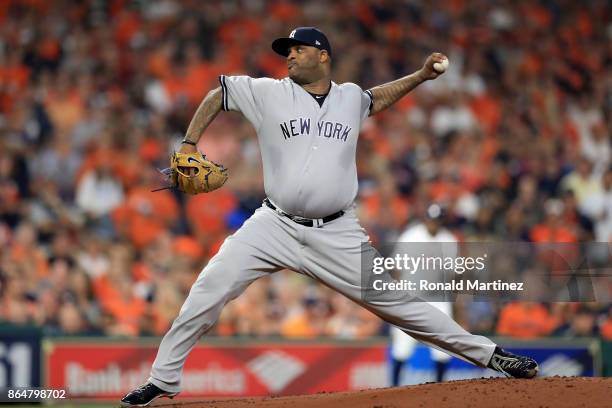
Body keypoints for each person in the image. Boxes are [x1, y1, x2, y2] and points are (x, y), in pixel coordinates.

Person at [121, 27, 538, 406]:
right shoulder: (269, 92)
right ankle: (163, 378)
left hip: (336, 232)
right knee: (209, 288)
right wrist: (190, 141)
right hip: (274, 225)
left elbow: (377, 98)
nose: (289, 57)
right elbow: (219, 93)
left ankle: (491, 356)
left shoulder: (349, 97)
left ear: (322, 56)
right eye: (286, 52)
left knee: (399, 305)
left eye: (297, 50)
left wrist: (421, 76)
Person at [389, 204, 456, 385]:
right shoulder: (410, 236)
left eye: (437, 220)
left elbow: (452, 277)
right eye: (430, 219)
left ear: (441, 221)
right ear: (425, 218)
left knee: (443, 348)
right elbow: (396, 270)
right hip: (410, 298)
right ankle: (393, 389)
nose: (433, 223)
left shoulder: (449, 240)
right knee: (402, 348)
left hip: (438, 300)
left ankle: (440, 388)